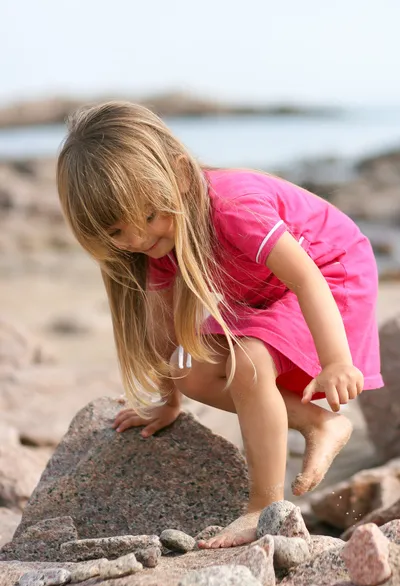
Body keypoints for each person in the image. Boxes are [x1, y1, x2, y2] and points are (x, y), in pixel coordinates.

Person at [57, 101, 383, 549]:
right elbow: (163, 335)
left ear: (180, 175)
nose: (137, 239)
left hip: (328, 273)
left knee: (249, 361)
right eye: (117, 233)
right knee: (193, 368)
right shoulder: (158, 244)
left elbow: (307, 277)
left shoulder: (235, 207)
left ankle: (263, 508)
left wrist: (335, 361)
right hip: (264, 291)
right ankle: (318, 423)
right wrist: (166, 402)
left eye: (149, 216)